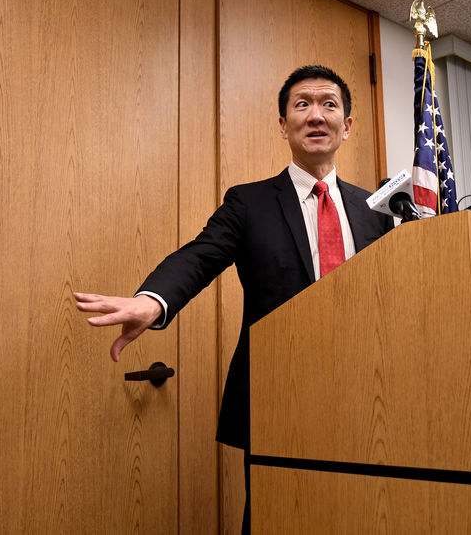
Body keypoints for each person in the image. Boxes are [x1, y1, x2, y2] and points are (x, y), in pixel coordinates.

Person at [74, 65, 393, 531]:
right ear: (283, 125)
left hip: (366, 395)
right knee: (274, 516)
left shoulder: (375, 212)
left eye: (329, 104)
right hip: (276, 396)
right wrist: (153, 300)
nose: (316, 115)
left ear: (347, 126)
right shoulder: (249, 203)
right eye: (302, 104)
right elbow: (200, 257)